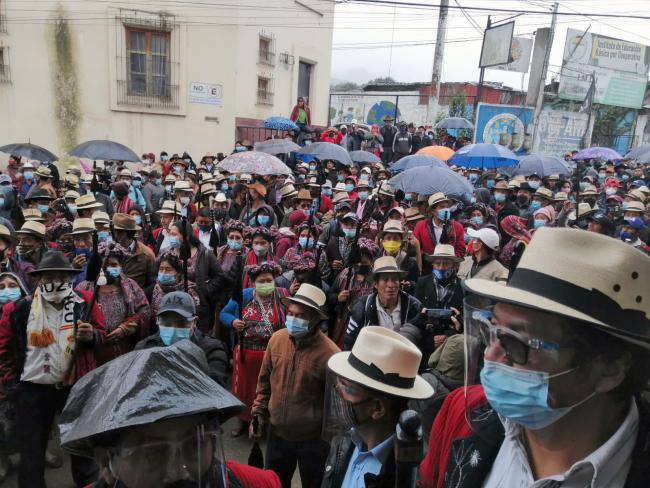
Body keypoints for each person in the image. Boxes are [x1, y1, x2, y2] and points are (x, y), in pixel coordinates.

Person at [419, 227, 650, 488]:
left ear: (609, 368)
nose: (490, 354)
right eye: (490, 331)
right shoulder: (463, 415)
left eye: (515, 342)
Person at [59, 340, 282, 488]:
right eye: (152, 454)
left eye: (194, 444)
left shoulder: (258, 484)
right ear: (106, 463)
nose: (180, 471)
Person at [0, 251, 105, 488]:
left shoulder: (85, 301)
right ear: (39, 279)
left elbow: (103, 335)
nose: (56, 281)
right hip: (32, 390)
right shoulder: (18, 310)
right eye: (49, 277)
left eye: (62, 276)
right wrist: (13, 386)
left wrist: (92, 336)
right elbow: (4, 351)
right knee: (32, 452)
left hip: (74, 388)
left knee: (81, 447)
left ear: (70, 278)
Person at [250, 284, 340, 488]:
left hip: (313, 442)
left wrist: (331, 441)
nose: (293, 319)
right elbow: (264, 382)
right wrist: (258, 413)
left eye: (300, 316)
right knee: (275, 483)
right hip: (277, 435)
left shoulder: (330, 354)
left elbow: (335, 405)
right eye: (290, 313)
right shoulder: (277, 340)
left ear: (315, 319)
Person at [321, 326, 433, 487]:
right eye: (338, 382)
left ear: (378, 409)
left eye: (346, 387)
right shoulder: (345, 442)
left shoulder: (410, 476)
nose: (337, 390)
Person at [219, 262, 289, 437]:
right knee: (243, 389)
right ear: (253, 283)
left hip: (271, 355)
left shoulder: (282, 296)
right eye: (261, 281)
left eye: (269, 280)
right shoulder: (244, 295)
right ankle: (242, 420)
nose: (266, 284)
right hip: (245, 354)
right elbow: (224, 313)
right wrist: (233, 322)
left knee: (267, 390)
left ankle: (263, 421)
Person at [76, 243, 151, 365]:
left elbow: (144, 311)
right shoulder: (84, 288)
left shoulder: (131, 286)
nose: (108, 269)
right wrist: (91, 334)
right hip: (94, 353)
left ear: (121, 266)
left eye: (113, 265)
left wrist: (124, 329)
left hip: (124, 351)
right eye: (104, 265)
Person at [136, 291, 228, 387]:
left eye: (181, 323)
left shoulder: (211, 350)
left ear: (194, 322)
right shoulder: (144, 348)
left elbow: (215, 387)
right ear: (158, 321)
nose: (172, 330)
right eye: (166, 323)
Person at [345, 256, 424, 351]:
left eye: (394, 279)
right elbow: (350, 343)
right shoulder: (361, 307)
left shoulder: (414, 306)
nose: (391, 285)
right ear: (375, 284)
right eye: (385, 280)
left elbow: (422, 342)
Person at [0, 272, 29, 482]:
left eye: (12, 285)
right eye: (1, 287)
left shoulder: (30, 311)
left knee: (32, 419)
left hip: (27, 374)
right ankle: (2, 459)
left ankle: (40, 452)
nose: (7, 290)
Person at [413, 192, 466, 258]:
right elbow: (416, 247)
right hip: (427, 266)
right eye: (442, 207)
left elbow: (461, 249)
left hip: (450, 265)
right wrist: (428, 258)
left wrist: (449, 259)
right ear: (433, 210)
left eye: (447, 207)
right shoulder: (421, 226)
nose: (446, 209)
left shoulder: (457, 227)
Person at [111, 213, 156, 289]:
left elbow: (152, 283)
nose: (115, 235)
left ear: (127, 233)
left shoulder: (146, 254)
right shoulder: (109, 250)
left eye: (119, 232)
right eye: (114, 231)